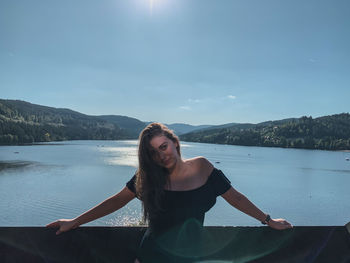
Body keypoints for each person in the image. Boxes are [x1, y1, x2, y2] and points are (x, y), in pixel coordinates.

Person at [47, 122, 293, 263]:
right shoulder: (147, 178)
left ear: (175, 143)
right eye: (153, 152)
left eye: (163, 146)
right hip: (151, 256)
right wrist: (75, 221)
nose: (161, 154)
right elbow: (116, 201)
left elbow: (235, 197)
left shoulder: (203, 167)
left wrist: (268, 220)